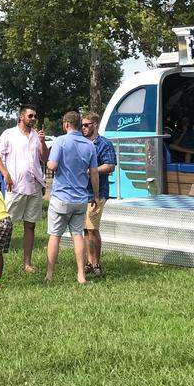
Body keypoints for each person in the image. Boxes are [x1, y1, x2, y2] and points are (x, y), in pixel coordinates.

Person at [45, 111, 100, 285]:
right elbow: (94, 173)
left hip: (61, 197)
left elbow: (52, 165)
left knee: (55, 236)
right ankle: (81, 275)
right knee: (78, 236)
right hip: (81, 199)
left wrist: (47, 160)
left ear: (66, 124)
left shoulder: (60, 141)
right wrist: (96, 195)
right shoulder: (90, 145)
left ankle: (49, 274)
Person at [0, 105, 47, 273]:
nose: (33, 118)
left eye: (35, 116)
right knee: (4, 225)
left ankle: (27, 263)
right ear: (21, 117)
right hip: (15, 187)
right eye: (30, 116)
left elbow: (45, 158)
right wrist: (5, 174)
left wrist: (43, 142)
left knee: (30, 226)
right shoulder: (9, 134)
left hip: (34, 186)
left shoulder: (36, 136)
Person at [81, 112, 117, 276]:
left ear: (95, 125)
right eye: (82, 125)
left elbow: (110, 166)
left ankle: (96, 263)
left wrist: (91, 170)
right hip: (81, 192)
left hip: (97, 192)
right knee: (85, 230)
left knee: (92, 229)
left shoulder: (104, 144)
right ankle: (88, 262)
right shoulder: (81, 142)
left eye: (86, 125)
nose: (83, 128)